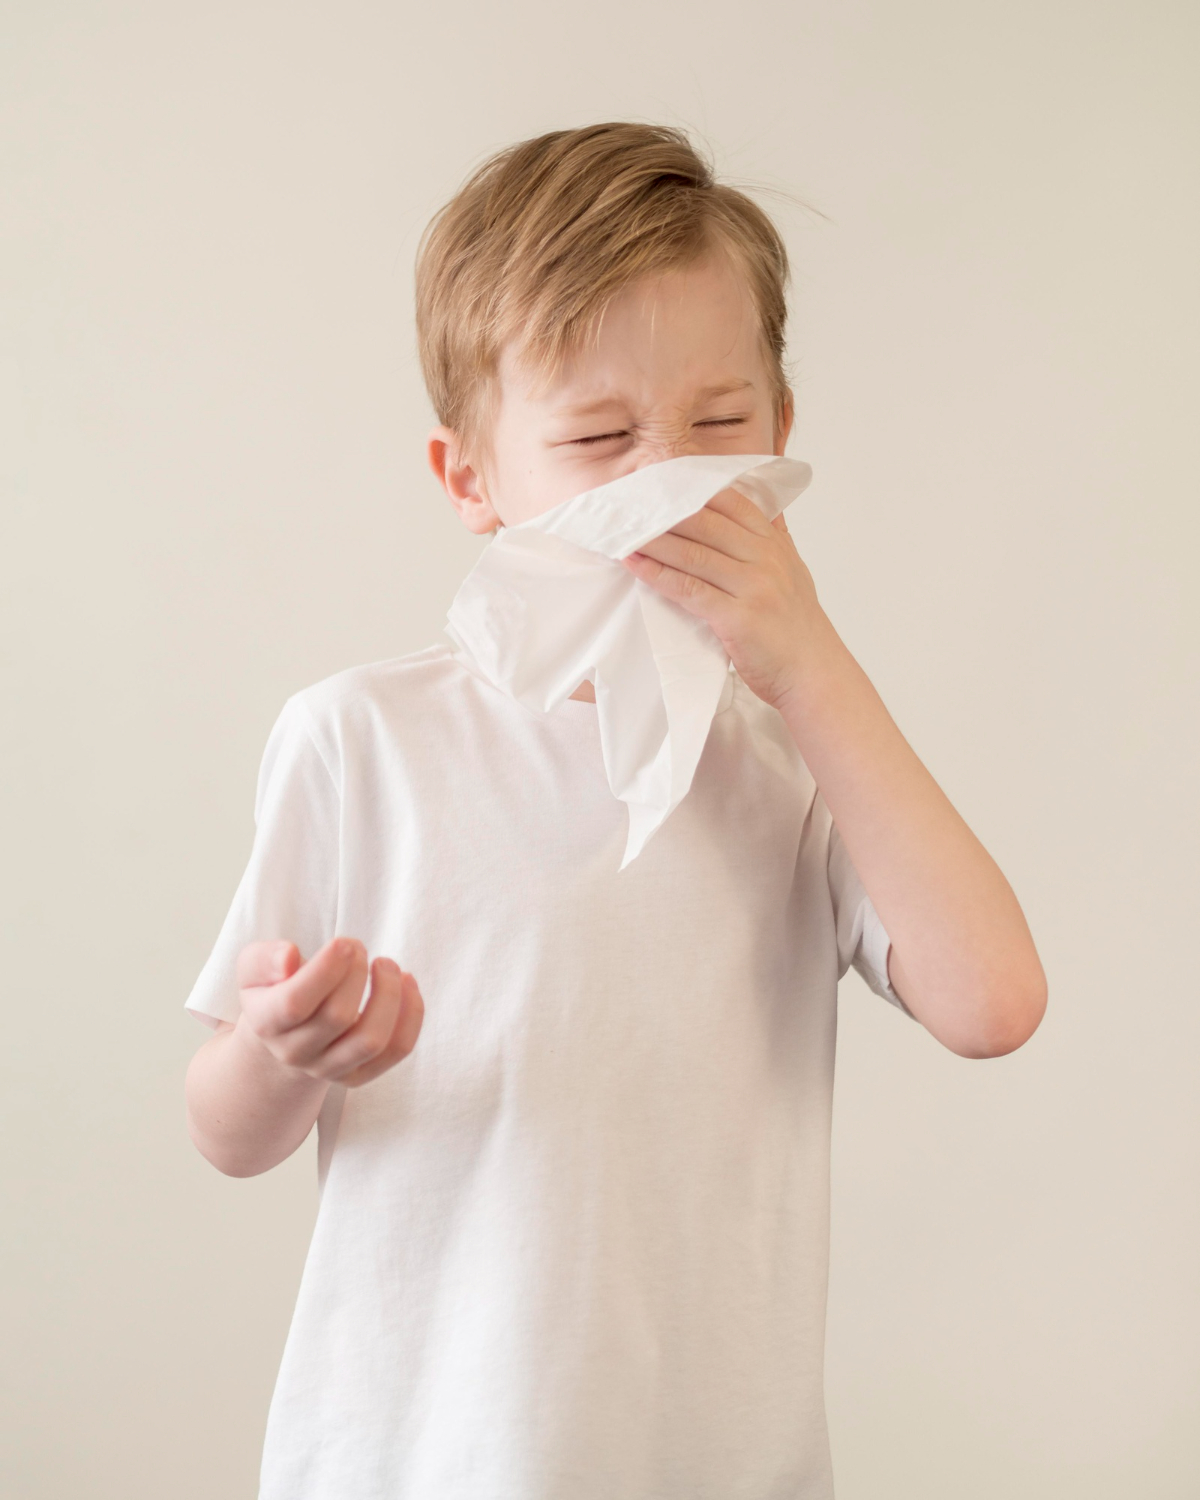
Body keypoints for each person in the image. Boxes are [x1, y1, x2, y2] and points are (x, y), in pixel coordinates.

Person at [184, 122, 1047, 1500]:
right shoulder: (362, 740)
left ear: (779, 432)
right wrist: (285, 1054)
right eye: (598, 437)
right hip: (412, 1457)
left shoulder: (794, 760)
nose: (669, 481)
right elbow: (226, 1133)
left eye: (719, 424)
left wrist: (812, 665)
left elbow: (995, 1002)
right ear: (472, 480)